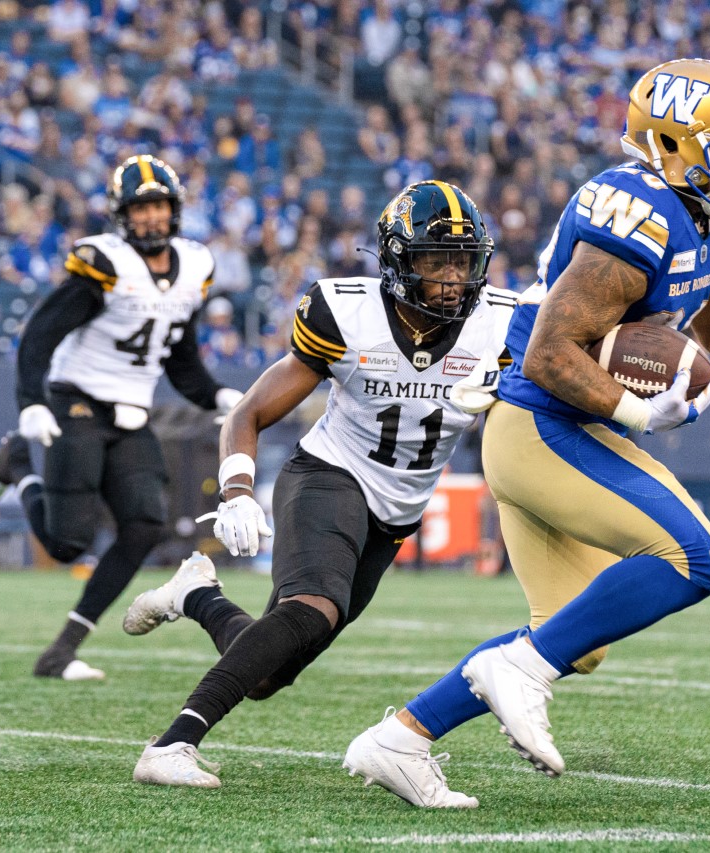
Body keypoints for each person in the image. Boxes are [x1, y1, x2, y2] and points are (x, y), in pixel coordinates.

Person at [344, 58, 710, 808]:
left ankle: (402, 737)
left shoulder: (696, 214)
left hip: (550, 429)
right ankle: (518, 669)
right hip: (541, 424)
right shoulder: (638, 213)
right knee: (701, 557)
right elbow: (550, 353)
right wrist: (640, 413)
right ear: (670, 142)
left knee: (572, 638)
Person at [124, 181, 514, 790]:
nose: (451, 279)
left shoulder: (504, 326)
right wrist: (236, 492)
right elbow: (248, 413)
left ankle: (196, 595)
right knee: (314, 608)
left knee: (267, 674)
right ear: (397, 260)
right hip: (330, 475)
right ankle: (172, 744)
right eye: (436, 261)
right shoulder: (346, 313)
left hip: (396, 512)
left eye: (462, 263)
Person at [0, 155, 243, 681]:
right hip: (77, 398)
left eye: (159, 206)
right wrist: (31, 401)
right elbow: (40, 334)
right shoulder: (105, 263)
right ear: (122, 215)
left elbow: (180, 357)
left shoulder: (194, 266)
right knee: (66, 544)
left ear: (175, 209)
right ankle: (16, 464)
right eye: (140, 208)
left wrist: (216, 395)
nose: (151, 217)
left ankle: (63, 649)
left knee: (145, 526)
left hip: (130, 410)